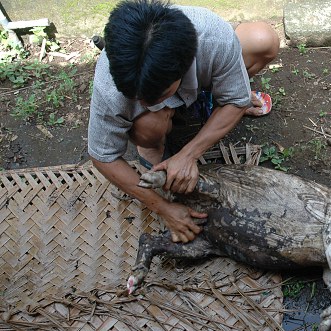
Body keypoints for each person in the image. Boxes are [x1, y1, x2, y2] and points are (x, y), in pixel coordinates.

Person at [88, 0, 279, 243]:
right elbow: (102, 155)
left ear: (184, 66)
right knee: (148, 126)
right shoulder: (109, 85)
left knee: (264, 41)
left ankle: (223, 90)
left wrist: (188, 154)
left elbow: (234, 99)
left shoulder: (212, 37)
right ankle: (155, 137)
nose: (145, 103)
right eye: (138, 99)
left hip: (202, 70)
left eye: (157, 96)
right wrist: (164, 208)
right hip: (164, 106)